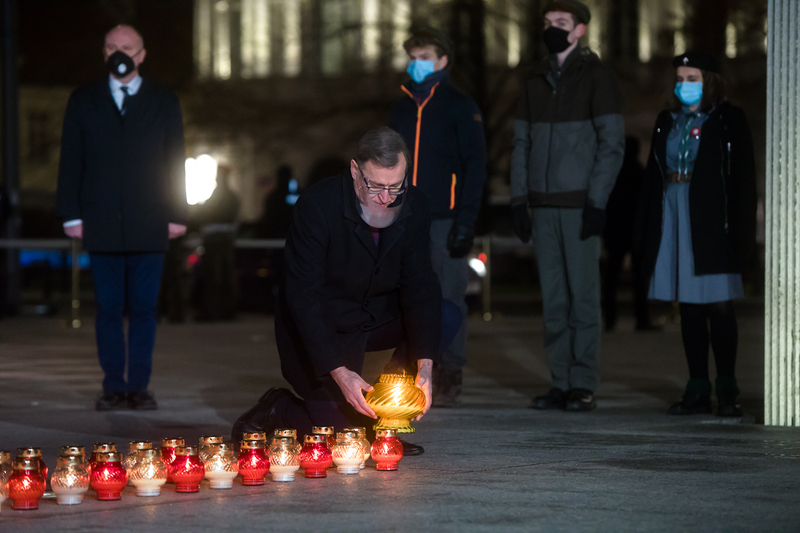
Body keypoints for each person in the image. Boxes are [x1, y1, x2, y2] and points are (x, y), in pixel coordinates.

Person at [231, 128, 461, 455]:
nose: (386, 197)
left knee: (446, 314)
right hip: (323, 325)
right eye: (376, 186)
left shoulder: (415, 205)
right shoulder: (317, 206)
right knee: (342, 441)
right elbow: (304, 298)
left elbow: (420, 284)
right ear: (355, 171)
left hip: (375, 314)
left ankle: (387, 416)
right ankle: (278, 408)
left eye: (396, 185)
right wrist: (341, 373)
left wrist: (424, 366)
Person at [56, 25, 188, 411]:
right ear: (103, 52)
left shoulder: (164, 100)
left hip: (151, 221)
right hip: (100, 221)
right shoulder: (83, 99)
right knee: (108, 308)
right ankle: (113, 386)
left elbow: (175, 160)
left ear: (142, 54)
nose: (120, 53)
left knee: (145, 310)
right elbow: (71, 160)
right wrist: (70, 214)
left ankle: (139, 387)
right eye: (112, 46)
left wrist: (177, 212)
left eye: (127, 47)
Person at [510, 0, 624, 412]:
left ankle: (583, 383)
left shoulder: (597, 78)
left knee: (583, 298)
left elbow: (612, 145)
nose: (552, 29)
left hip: (578, 206)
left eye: (561, 23)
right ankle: (560, 381)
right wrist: (519, 199)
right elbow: (521, 143)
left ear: (580, 30)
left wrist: (597, 200)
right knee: (554, 299)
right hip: (542, 206)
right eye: (548, 23)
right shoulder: (534, 79)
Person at [635, 51, 756, 417]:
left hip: (711, 218)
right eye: (681, 78)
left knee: (718, 305)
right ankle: (698, 387)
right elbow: (652, 175)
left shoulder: (729, 118)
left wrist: (741, 236)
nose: (684, 85)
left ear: (710, 80)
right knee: (687, 306)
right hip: (674, 211)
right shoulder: (666, 120)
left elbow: (742, 180)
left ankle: (728, 389)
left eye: (693, 78)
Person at [390, 26, 487, 407]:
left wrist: (466, 220)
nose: (417, 64)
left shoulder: (460, 106)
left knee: (448, 298)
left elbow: (475, 167)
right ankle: (410, 366)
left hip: (444, 218)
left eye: (425, 56)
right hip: (404, 216)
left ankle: (450, 369)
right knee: (409, 296)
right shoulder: (400, 106)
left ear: (443, 60)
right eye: (413, 57)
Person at [602, 137, 657, 332]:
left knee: (611, 279)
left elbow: (605, 206)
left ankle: (610, 319)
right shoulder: (640, 174)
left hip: (616, 233)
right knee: (639, 280)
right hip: (635, 234)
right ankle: (641, 320)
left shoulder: (613, 175)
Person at [196, 165, 240, 321]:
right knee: (224, 274)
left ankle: (214, 311)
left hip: (214, 239)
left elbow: (203, 214)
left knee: (213, 275)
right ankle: (226, 311)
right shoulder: (230, 196)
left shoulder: (217, 197)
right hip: (225, 239)